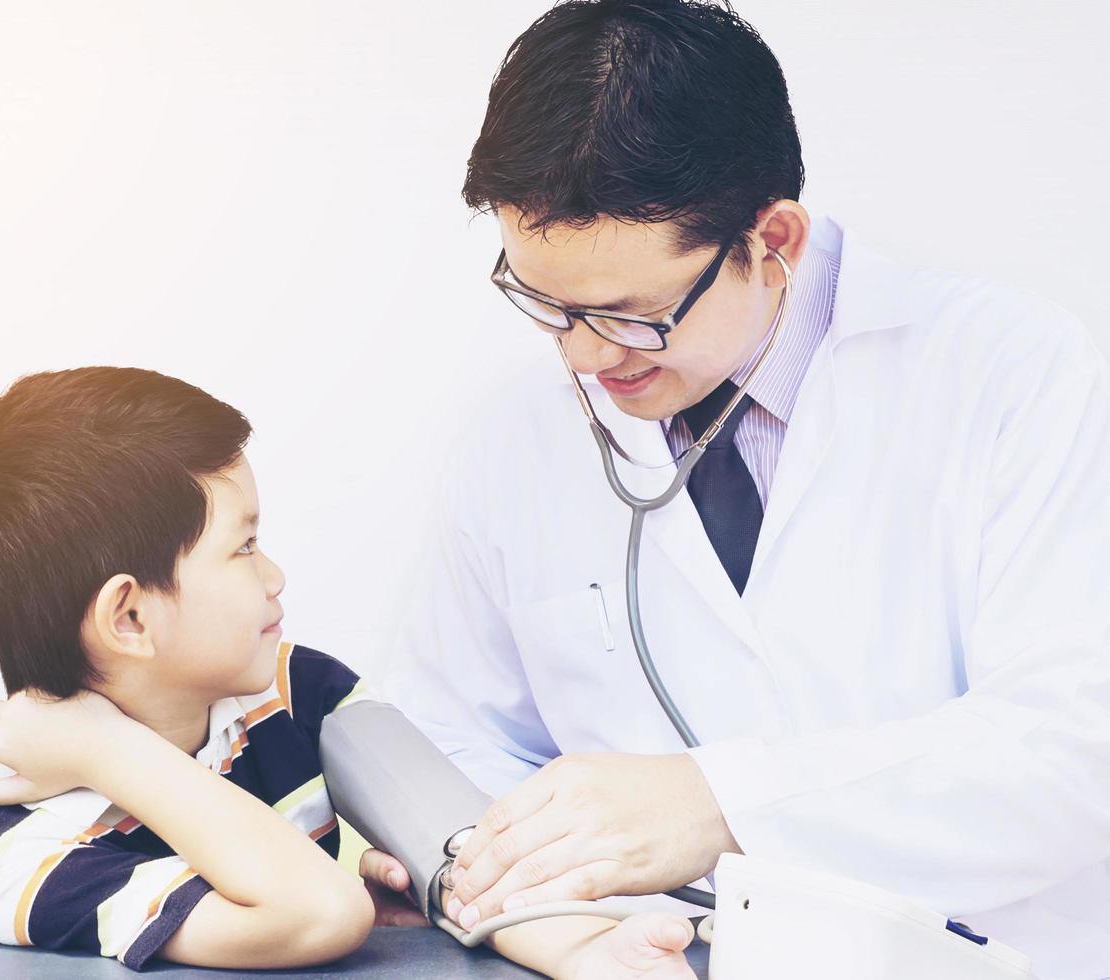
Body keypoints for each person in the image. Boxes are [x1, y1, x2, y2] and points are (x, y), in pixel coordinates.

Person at [384, 3, 1110, 978]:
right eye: (544, 303)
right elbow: (449, 736)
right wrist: (559, 921)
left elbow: (1070, 750)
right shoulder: (513, 430)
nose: (582, 357)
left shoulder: (1016, 375)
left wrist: (716, 804)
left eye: (628, 316)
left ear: (773, 241)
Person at [0, 365, 701, 978]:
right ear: (130, 618)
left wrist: (581, 951)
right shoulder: (36, 857)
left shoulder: (296, 690)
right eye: (242, 548)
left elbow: (466, 855)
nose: (273, 575)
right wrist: (111, 751)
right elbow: (319, 914)